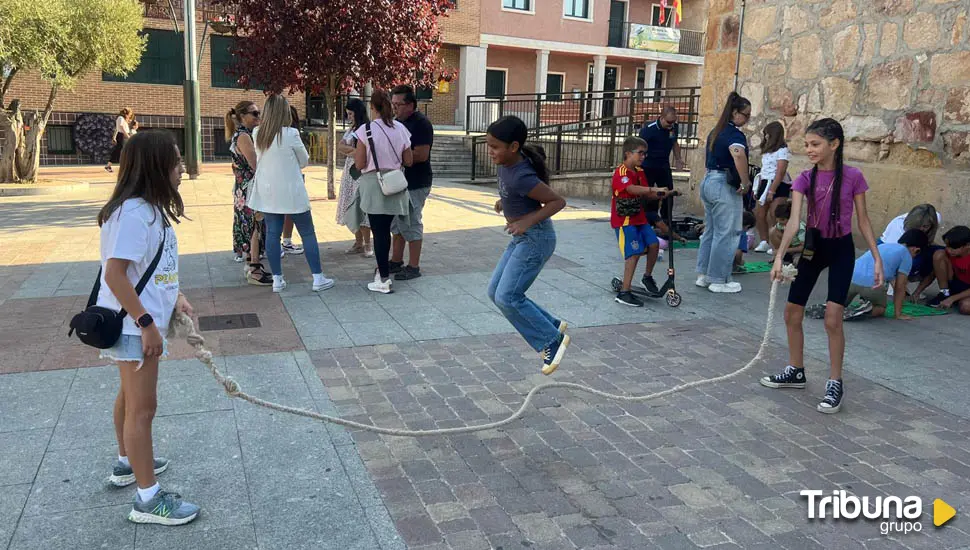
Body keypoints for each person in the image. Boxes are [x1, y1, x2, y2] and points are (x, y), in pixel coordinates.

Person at [96, 130, 200, 525]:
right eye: (176, 161)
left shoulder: (146, 209)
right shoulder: (136, 213)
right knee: (143, 410)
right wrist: (146, 324)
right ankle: (148, 498)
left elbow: (150, 267)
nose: (181, 168)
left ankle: (128, 461)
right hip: (133, 326)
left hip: (136, 322)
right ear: (156, 167)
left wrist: (177, 298)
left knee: (130, 397)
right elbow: (116, 275)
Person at [763, 118, 883, 415]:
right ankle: (796, 370)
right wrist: (779, 256)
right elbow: (794, 222)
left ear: (834, 144)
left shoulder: (854, 177)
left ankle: (835, 381)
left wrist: (876, 257)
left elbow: (864, 220)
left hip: (841, 248)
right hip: (813, 248)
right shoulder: (805, 179)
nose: (809, 149)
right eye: (807, 144)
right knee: (792, 311)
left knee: (832, 318)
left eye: (815, 144)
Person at [487, 116, 569, 375]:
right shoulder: (506, 164)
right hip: (523, 238)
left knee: (507, 296)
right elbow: (513, 191)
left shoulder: (522, 175)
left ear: (513, 146)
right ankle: (552, 325)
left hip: (536, 239)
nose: (491, 152)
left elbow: (558, 202)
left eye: (495, 147)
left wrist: (526, 222)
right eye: (489, 146)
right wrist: (505, 202)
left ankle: (551, 341)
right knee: (494, 292)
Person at [247, 94, 334, 293]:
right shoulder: (291, 134)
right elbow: (304, 161)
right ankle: (317, 278)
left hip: (268, 193)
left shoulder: (258, 133)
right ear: (284, 112)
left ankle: (277, 280)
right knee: (307, 233)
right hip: (292, 191)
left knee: (273, 234)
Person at [353, 91, 413, 294]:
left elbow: (360, 163)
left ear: (373, 107)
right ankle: (383, 271)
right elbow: (409, 161)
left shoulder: (365, 130)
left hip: (374, 184)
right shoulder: (401, 129)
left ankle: (384, 278)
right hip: (395, 184)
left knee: (379, 233)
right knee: (388, 230)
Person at [696, 92, 753, 293]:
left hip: (709, 180)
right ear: (735, 113)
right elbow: (738, 154)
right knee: (727, 233)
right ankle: (718, 279)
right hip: (723, 184)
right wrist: (746, 183)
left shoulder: (716, 130)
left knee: (711, 231)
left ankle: (704, 274)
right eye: (745, 115)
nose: (747, 119)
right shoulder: (734, 135)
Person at [612, 137, 668, 306]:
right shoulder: (621, 172)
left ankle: (647, 277)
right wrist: (652, 189)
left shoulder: (639, 171)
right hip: (625, 220)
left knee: (653, 244)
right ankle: (624, 292)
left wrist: (664, 193)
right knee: (633, 253)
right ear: (628, 153)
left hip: (639, 217)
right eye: (640, 153)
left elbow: (645, 193)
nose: (644, 156)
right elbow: (630, 188)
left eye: (645, 153)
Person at [388, 84, 434, 280]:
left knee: (411, 222)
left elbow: (421, 155)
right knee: (398, 224)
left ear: (411, 105)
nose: (395, 108)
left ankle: (413, 266)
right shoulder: (397, 122)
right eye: (393, 104)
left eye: (399, 104)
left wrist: (393, 155)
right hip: (399, 182)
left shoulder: (421, 123)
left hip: (416, 183)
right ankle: (396, 261)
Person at [225, 101, 271, 285]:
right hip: (249, 187)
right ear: (243, 116)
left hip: (244, 187)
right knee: (254, 225)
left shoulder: (243, 135)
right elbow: (255, 165)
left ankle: (252, 265)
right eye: (255, 113)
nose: (258, 117)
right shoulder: (244, 136)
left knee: (251, 223)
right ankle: (254, 268)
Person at [843, 229, 928, 320]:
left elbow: (889, 275)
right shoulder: (906, 255)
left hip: (849, 277)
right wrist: (898, 313)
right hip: (872, 284)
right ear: (916, 250)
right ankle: (860, 311)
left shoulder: (884, 246)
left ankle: (833, 309)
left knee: (839, 304)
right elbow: (900, 287)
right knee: (881, 308)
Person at [639, 106, 686, 231]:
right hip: (648, 166)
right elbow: (639, 147)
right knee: (649, 194)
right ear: (661, 118)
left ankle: (666, 220)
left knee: (668, 192)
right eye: (669, 122)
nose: (671, 125)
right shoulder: (648, 130)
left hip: (663, 166)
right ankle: (648, 220)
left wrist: (678, 159)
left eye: (673, 122)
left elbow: (674, 143)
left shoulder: (673, 128)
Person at [336, 98, 373, 257]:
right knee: (352, 207)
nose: (349, 117)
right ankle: (358, 242)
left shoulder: (366, 129)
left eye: (351, 114)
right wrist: (353, 151)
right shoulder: (352, 129)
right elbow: (340, 146)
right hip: (350, 172)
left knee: (362, 206)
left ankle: (367, 244)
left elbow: (362, 151)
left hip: (361, 171)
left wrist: (352, 151)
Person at [883, 204, 942, 297]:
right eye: (918, 226)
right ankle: (897, 284)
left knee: (940, 253)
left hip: (915, 246)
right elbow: (889, 257)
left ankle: (914, 285)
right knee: (910, 260)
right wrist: (895, 285)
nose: (921, 229)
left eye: (925, 226)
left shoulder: (936, 217)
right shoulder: (898, 227)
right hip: (890, 250)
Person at [753, 121, 791, 254]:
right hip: (765, 182)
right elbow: (764, 170)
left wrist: (772, 190)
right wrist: (757, 188)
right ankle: (764, 240)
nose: (766, 137)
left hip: (778, 184)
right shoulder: (767, 151)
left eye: (767, 134)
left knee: (775, 213)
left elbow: (780, 172)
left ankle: (778, 242)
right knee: (759, 212)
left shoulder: (783, 151)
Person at [925, 225, 970, 313]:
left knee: (966, 307)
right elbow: (933, 273)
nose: (949, 250)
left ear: (968, 245)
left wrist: (953, 299)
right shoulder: (948, 253)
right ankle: (945, 294)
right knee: (939, 254)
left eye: (953, 248)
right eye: (947, 246)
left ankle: (956, 299)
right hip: (956, 283)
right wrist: (918, 291)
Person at [280, 107, 305, 257]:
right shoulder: (293, 133)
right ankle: (286, 242)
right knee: (291, 211)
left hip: (274, 179)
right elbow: (303, 160)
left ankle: (281, 243)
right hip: (291, 177)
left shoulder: (265, 133)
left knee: (276, 212)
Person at [106, 107, 135, 173]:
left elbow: (117, 128)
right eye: (130, 114)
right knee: (120, 150)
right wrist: (127, 136)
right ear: (127, 113)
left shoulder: (122, 119)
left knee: (120, 150)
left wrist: (114, 137)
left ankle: (109, 165)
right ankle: (111, 165)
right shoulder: (120, 118)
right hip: (122, 135)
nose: (130, 115)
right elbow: (120, 127)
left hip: (123, 135)